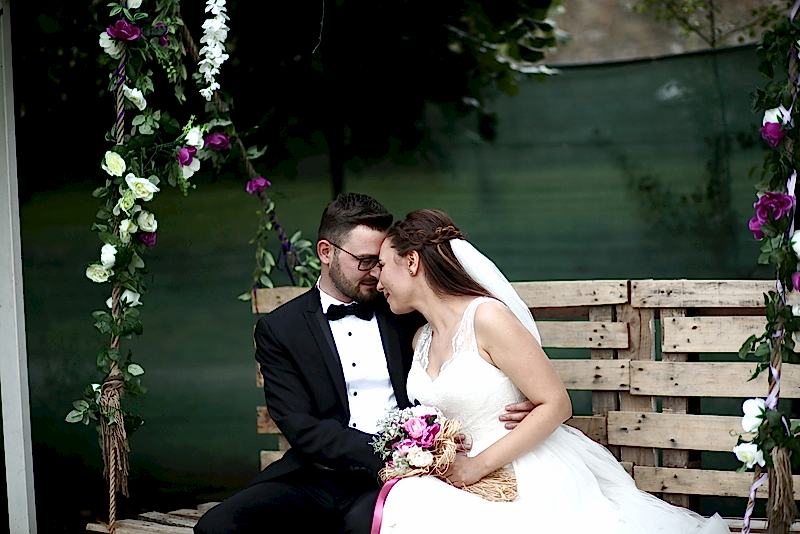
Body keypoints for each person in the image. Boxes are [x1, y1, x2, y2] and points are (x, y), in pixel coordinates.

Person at [370, 208, 731, 534]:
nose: (376, 278)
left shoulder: (487, 318)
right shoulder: (421, 339)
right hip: (456, 475)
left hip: (520, 469)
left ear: (412, 261)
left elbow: (556, 404)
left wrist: (476, 466)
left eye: (382, 265)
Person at [194, 193, 532, 534]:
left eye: (381, 263)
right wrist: (390, 450)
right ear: (326, 252)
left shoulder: (406, 312)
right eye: (365, 261)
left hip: (402, 478)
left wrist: (522, 397)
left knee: (362, 526)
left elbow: (471, 353)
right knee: (217, 527)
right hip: (315, 475)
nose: (375, 274)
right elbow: (300, 425)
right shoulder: (281, 328)